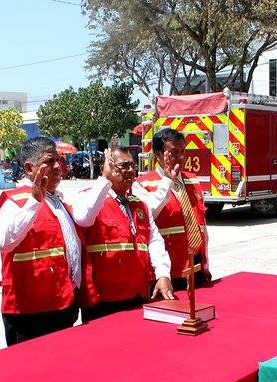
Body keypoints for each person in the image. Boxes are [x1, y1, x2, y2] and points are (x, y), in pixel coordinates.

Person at [0, 136, 111, 345]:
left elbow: (84, 220)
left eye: (58, 160)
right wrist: (34, 201)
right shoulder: (15, 201)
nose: (58, 166)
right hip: (30, 314)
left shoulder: (59, 200)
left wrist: (104, 179)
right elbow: (3, 241)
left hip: (63, 304)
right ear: (30, 168)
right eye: (49, 161)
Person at [81, 147, 176, 322]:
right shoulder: (90, 199)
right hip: (103, 301)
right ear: (106, 168)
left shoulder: (139, 204)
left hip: (137, 294)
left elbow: (154, 241)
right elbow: (83, 216)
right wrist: (104, 179)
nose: (131, 170)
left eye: (132, 165)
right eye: (124, 166)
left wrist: (163, 274)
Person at [137, 127, 210, 290]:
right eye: (173, 152)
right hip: (168, 270)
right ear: (157, 154)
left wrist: (206, 263)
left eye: (182, 151)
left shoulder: (193, 180)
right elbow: (150, 213)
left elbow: (201, 225)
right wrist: (167, 181)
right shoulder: (142, 184)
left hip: (195, 264)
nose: (180, 157)